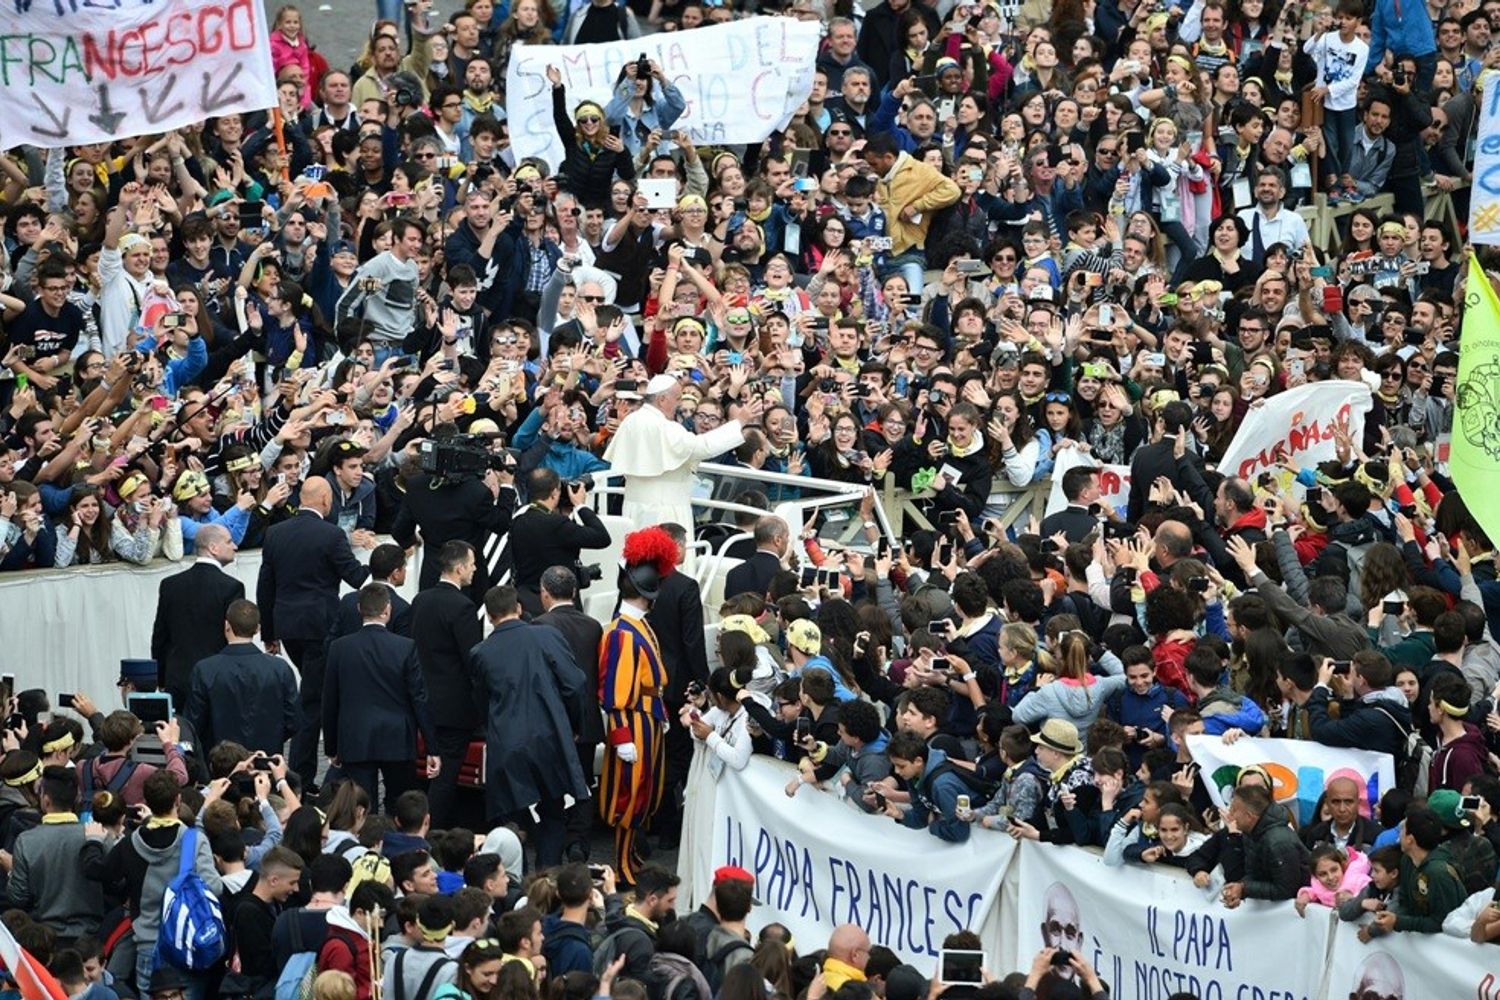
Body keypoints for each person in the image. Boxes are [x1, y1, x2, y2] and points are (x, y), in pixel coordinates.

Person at [257, 477, 371, 790]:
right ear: (324, 500)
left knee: (313, 694)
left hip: (288, 626)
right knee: (312, 702)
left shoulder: (276, 533)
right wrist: (378, 561)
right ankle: (300, 777)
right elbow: (356, 577)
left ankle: (302, 774)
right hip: (321, 628)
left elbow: (265, 585)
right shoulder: (331, 534)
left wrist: (269, 631)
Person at [470, 584, 589, 865]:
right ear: (519, 608)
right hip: (549, 738)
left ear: (488, 616)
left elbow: (480, 701)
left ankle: (513, 880)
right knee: (553, 812)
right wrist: (573, 725)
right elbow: (575, 684)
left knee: (511, 818)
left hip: (506, 745)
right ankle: (546, 879)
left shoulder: (480, 652)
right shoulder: (547, 636)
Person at [82, 769, 225, 996]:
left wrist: (93, 843)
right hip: (188, 944)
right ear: (178, 800)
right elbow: (215, 887)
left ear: (146, 801)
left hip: (148, 946)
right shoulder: (194, 839)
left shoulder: (130, 843)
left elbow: (98, 871)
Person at [598, 528, 678, 884]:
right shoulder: (621, 632)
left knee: (645, 794)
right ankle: (621, 862)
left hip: (647, 719)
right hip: (633, 722)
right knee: (629, 796)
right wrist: (621, 736)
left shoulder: (636, 626)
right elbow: (615, 692)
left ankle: (630, 856)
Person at [323, 584, 440, 814]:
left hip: (356, 736)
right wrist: (432, 747)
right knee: (399, 803)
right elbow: (419, 698)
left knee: (363, 805)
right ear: (388, 609)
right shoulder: (405, 647)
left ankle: (367, 846)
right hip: (397, 736)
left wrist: (331, 747)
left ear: (359, 609)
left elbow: (330, 700)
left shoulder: (339, 648)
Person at [604, 375, 760, 536]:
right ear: (662, 399)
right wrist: (739, 422)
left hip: (633, 509)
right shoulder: (666, 427)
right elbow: (703, 447)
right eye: (677, 398)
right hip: (665, 512)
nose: (679, 404)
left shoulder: (631, 420)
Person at [408, 541, 485, 829]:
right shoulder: (463, 606)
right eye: (472, 563)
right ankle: (429, 833)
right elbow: (472, 659)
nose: (475, 568)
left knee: (426, 772)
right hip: (454, 708)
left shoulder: (420, 600)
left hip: (423, 701)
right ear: (459, 567)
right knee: (445, 778)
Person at [533, 566, 605, 863]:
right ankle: (579, 842)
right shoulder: (593, 626)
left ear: (544, 593)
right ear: (574, 592)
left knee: (551, 785)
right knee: (584, 782)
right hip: (587, 719)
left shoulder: (537, 625)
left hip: (552, 721)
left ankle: (553, 842)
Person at [184, 599, 298, 757]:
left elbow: (194, 722)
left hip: (219, 761)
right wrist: (274, 738)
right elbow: (293, 720)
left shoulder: (204, 669)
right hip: (266, 759)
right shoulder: (280, 668)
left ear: (227, 625)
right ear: (258, 629)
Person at [150, 522, 244, 706]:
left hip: (177, 678)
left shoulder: (170, 584)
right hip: (217, 679)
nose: (235, 546)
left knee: (181, 733)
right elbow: (234, 637)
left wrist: (160, 678)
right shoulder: (231, 587)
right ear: (213, 548)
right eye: (229, 541)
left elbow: (160, 636)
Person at [508, 468, 611, 617]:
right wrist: (580, 506)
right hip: (558, 606)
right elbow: (602, 537)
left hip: (527, 604)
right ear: (555, 492)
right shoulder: (557, 525)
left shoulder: (518, 519)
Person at [1220, 783, 1312, 908]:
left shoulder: (1279, 842)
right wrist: (1239, 890)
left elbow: (1286, 889)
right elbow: (1254, 874)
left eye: (1234, 810)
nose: (1230, 814)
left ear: (1249, 817)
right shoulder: (1251, 833)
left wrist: (1245, 889)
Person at [724, 516, 789, 600]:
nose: (788, 541)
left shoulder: (734, 574)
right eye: (787, 536)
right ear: (777, 540)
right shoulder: (784, 577)